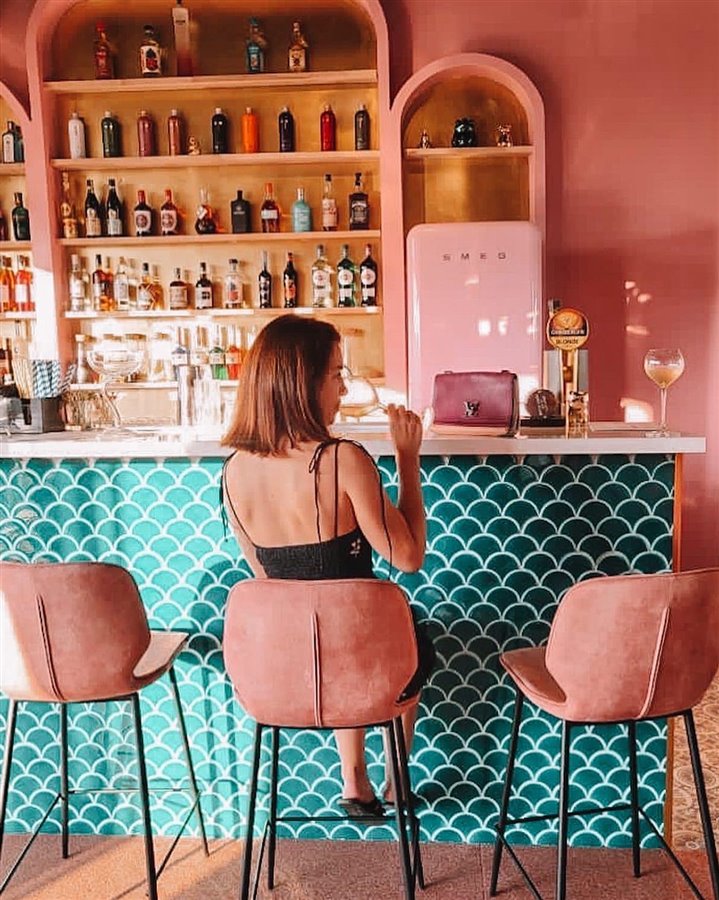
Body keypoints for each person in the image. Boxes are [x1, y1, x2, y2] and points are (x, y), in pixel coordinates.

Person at [221, 314, 434, 819]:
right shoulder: (342, 459)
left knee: (337, 629)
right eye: (336, 374)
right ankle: (395, 776)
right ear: (304, 383)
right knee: (401, 633)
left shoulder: (233, 471)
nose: (343, 387)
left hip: (284, 668)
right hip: (364, 661)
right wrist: (408, 459)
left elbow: (268, 583)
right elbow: (408, 558)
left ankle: (353, 780)